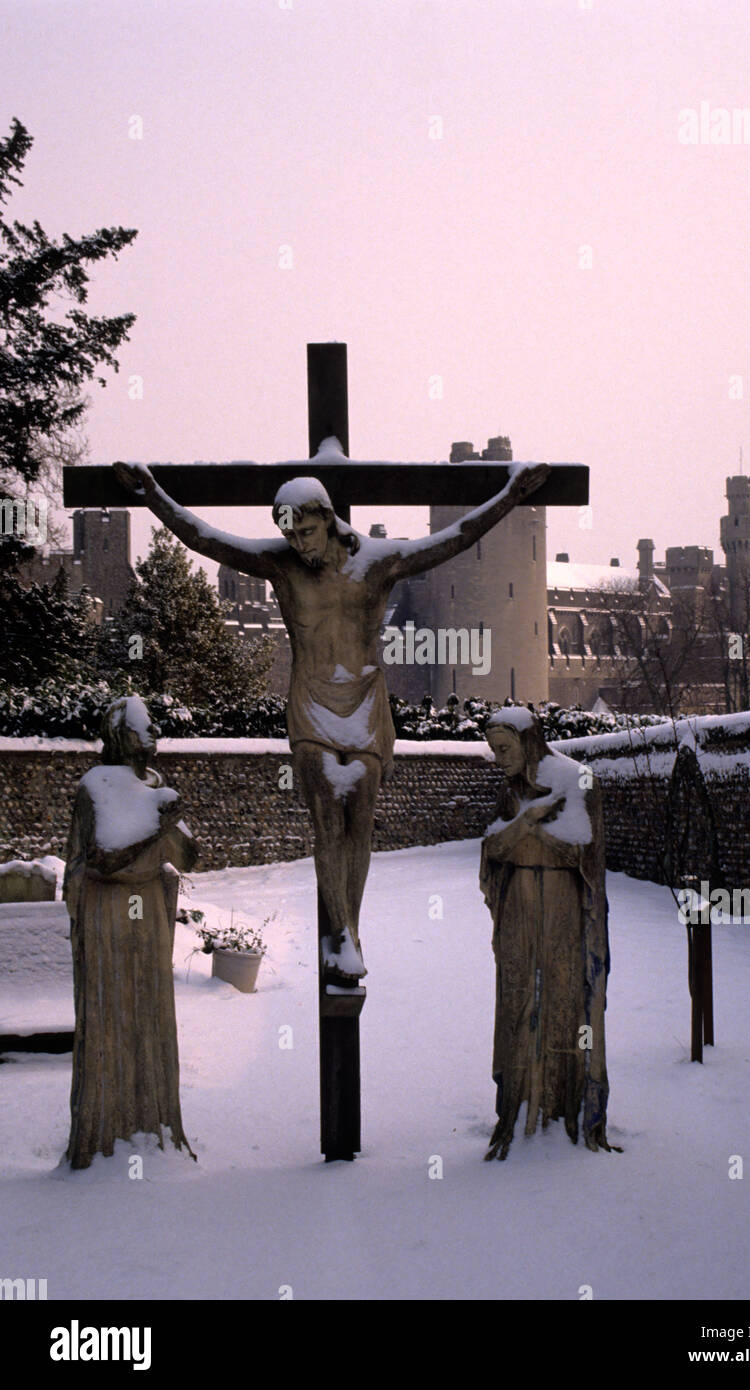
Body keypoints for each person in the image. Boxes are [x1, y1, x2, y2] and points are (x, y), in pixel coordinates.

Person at [114, 456, 548, 986]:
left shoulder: (379, 562)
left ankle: (351, 928)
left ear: (329, 518)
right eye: (291, 536)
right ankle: (339, 932)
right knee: (325, 806)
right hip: (311, 704)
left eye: (309, 532)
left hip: (365, 702)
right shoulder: (281, 563)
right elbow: (207, 539)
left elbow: (454, 538)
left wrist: (509, 497)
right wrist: (153, 495)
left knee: (361, 811)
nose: (301, 545)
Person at [63, 695, 197, 1169]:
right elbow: (102, 856)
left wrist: (174, 827)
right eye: (146, 726)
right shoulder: (96, 783)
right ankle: (108, 1133)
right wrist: (155, 820)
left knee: (150, 1015)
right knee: (115, 1015)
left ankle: (153, 1124)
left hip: (148, 916)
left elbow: (186, 857)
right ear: (122, 733)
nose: (155, 732)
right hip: (111, 912)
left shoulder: (155, 784)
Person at [480, 708, 617, 1160]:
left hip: (563, 910)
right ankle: (520, 1104)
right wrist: (527, 823)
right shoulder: (511, 794)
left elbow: (585, 854)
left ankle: (564, 1103)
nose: (499, 759)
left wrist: (533, 841)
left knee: (565, 999)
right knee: (518, 997)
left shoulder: (577, 781)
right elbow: (493, 850)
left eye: (505, 749)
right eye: (493, 750)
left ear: (529, 742)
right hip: (519, 906)